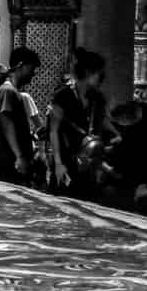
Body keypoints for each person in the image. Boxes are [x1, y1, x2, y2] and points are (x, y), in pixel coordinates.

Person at [47, 49, 113, 198]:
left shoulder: (98, 98)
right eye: (98, 73)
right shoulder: (63, 96)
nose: (101, 78)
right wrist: (58, 163)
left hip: (88, 164)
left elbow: (99, 130)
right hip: (66, 161)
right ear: (88, 72)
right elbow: (53, 131)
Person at [0, 49, 41, 184]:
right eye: (31, 68)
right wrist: (19, 156)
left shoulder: (13, 92)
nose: (33, 73)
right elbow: (7, 123)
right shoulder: (7, 91)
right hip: (11, 161)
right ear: (21, 66)